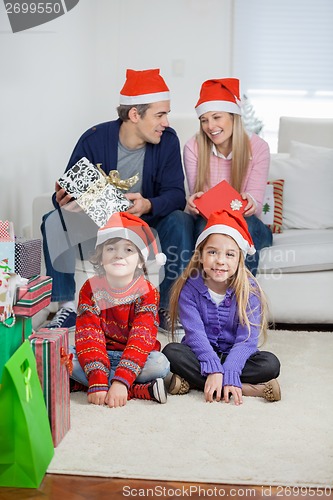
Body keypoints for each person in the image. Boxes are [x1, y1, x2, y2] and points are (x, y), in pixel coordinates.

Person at [41, 68, 193, 331]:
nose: (166, 122)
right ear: (135, 114)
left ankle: (167, 308)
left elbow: (177, 196)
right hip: (101, 228)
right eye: (160, 114)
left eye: (166, 114)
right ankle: (66, 307)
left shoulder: (168, 141)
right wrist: (62, 200)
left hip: (146, 227)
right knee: (53, 219)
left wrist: (148, 204)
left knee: (180, 220)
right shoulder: (94, 138)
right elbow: (67, 194)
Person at [162, 209, 281, 405]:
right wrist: (214, 369)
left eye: (230, 254)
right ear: (200, 255)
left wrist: (231, 369)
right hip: (200, 353)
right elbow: (195, 335)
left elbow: (247, 340)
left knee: (270, 364)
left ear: (239, 259)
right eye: (212, 252)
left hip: (236, 356)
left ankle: (196, 382)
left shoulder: (249, 291)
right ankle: (243, 388)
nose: (220, 260)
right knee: (172, 353)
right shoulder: (189, 289)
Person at [69, 212, 170, 407]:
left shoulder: (147, 292)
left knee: (160, 365)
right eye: (111, 248)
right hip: (98, 353)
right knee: (63, 358)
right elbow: (88, 334)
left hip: (135, 357)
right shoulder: (91, 288)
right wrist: (97, 376)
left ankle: (95, 385)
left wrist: (122, 378)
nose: (118, 254)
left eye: (128, 249)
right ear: (100, 257)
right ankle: (139, 390)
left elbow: (141, 338)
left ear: (141, 261)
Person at [184, 77, 273, 276]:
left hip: (247, 222)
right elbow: (200, 201)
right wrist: (194, 204)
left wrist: (250, 202)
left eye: (217, 117)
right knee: (203, 225)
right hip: (210, 222)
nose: (210, 126)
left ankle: (243, 298)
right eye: (204, 120)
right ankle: (205, 296)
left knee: (246, 225)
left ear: (233, 116)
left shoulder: (258, 147)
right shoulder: (193, 147)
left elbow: (256, 206)